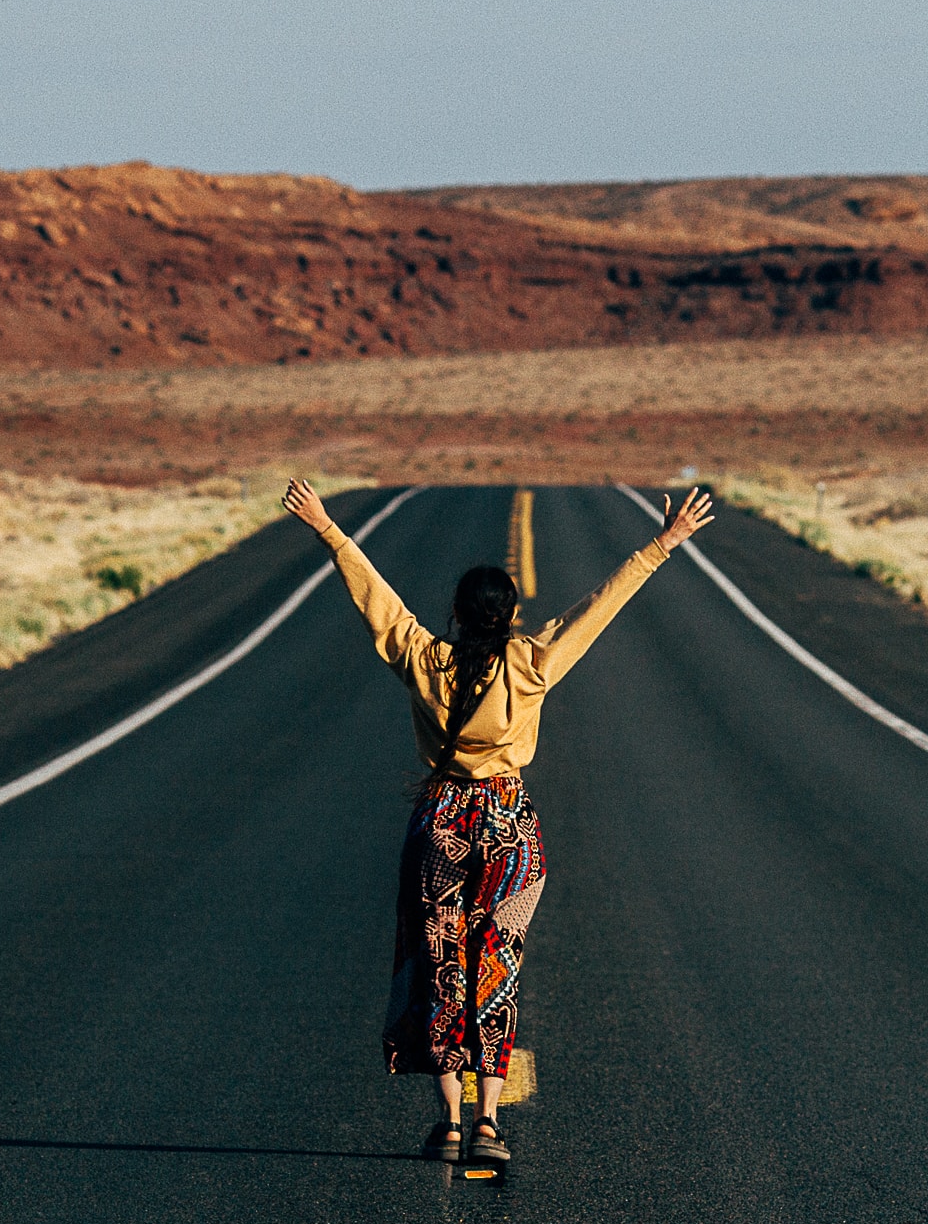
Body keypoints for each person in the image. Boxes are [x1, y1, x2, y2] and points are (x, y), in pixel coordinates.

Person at [282, 479, 717, 1163]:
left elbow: (378, 603)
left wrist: (328, 529)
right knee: (497, 965)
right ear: (511, 614)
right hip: (511, 827)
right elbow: (597, 610)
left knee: (438, 965)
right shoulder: (532, 664)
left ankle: (450, 1123)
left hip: (443, 823)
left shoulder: (426, 663)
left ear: (456, 613)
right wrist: (664, 544)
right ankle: (490, 1121)